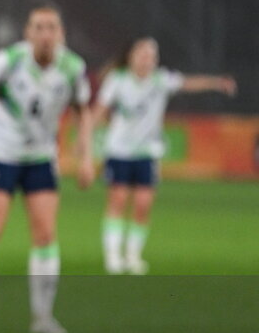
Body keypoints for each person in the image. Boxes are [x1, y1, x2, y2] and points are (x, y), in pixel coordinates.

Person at [0, 1, 92, 333]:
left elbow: (83, 110)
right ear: (28, 33)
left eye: (52, 28)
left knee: (45, 236)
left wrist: (85, 155)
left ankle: (43, 318)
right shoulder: (11, 59)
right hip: (1, 152)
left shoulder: (73, 67)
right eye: (39, 28)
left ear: (61, 34)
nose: (46, 35)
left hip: (41, 158)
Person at [91, 36, 237, 274]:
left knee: (143, 205)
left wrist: (217, 82)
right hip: (119, 150)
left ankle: (133, 255)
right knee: (117, 201)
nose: (147, 60)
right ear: (131, 57)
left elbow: (189, 83)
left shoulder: (160, 80)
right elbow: (99, 110)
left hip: (147, 152)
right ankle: (113, 256)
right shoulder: (117, 80)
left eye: (152, 56)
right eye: (143, 54)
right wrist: (86, 137)